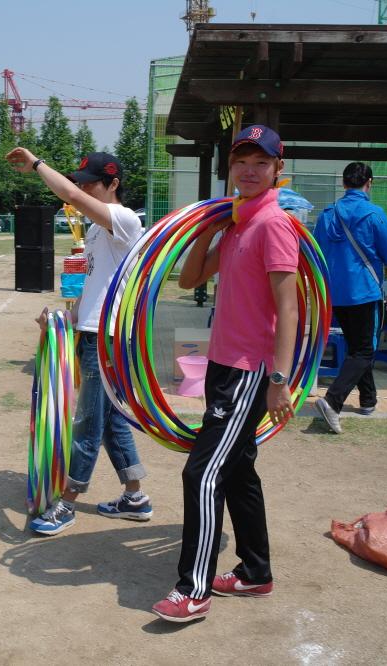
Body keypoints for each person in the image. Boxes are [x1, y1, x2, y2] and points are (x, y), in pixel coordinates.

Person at [153, 124, 299, 623]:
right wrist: (207, 230)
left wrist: (279, 380)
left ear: (278, 169)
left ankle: (193, 589)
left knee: (203, 472)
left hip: (248, 371)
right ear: (230, 167)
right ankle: (255, 572)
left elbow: (289, 308)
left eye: (261, 162)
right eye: (241, 162)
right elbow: (190, 278)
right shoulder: (239, 222)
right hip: (223, 363)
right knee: (237, 470)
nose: (250, 171)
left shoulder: (273, 224)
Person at [6, 147, 151, 536]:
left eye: (90, 184)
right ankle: (135, 497)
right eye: (81, 183)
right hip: (92, 331)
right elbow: (94, 286)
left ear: (113, 183)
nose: (82, 190)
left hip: (108, 337)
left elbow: (68, 195)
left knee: (87, 421)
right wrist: (64, 319)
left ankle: (67, 503)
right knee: (110, 420)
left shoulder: (124, 221)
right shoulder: (96, 230)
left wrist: (37, 164)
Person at [311, 162, 387, 434]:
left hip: (335, 293)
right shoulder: (373, 214)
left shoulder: (327, 215)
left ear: (344, 183)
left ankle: (368, 400)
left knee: (358, 346)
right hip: (364, 293)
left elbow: (315, 252)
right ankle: (332, 402)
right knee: (364, 350)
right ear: (369, 183)